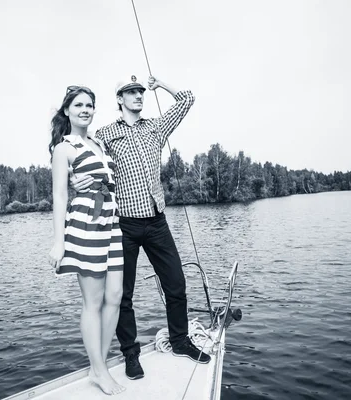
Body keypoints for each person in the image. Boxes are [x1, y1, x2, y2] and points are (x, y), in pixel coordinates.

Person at [71, 75, 211, 381]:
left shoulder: (155, 128)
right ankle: (131, 354)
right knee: (123, 296)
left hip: (157, 221)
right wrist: (76, 177)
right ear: (120, 98)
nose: (138, 95)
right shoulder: (106, 133)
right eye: (131, 92)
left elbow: (186, 99)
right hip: (125, 226)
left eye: (139, 91)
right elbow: (82, 154)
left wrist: (159, 83)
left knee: (176, 284)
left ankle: (180, 341)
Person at [47, 85, 125, 395]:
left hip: (111, 223)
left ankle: (97, 366)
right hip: (85, 225)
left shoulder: (99, 143)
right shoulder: (63, 148)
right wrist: (58, 241)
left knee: (115, 295)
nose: (85, 109)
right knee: (93, 301)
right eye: (78, 104)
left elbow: (106, 179)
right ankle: (101, 371)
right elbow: (59, 194)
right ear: (67, 111)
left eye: (89, 105)